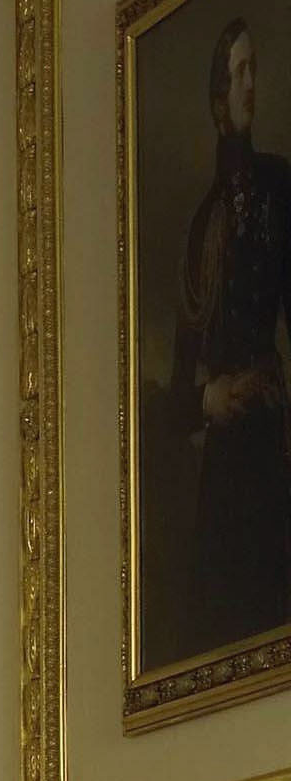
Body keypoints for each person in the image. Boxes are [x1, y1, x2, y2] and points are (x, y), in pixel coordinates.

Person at [168, 16, 291, 662]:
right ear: (220, 99)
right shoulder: (198, 229)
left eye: (255, 70)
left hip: (271, 445)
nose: (251, 84)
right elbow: (173, 401)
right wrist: (209, 399)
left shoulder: (281, 187)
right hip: (223, 469)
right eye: (239, 73)